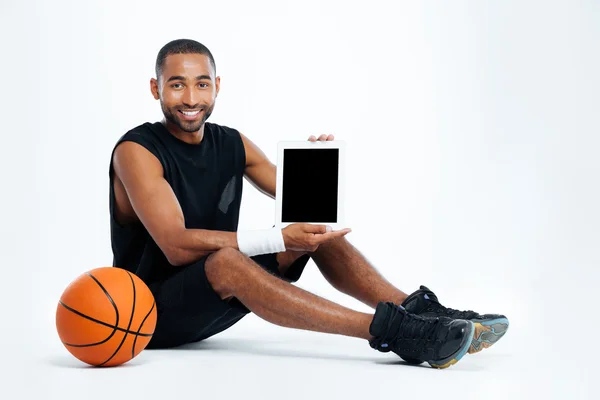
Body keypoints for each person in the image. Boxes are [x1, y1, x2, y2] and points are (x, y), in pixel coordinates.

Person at [109, 38, 508, 369]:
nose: (190, 97)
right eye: (176, 84)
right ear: (155, 88)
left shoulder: (230, 141)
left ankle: (420, 310)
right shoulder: (137, 150)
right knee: (230, 260)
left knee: (316, 231)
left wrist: (317, 172)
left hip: (214, 299)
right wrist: (276, 238)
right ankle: (392, 331)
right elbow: (176, 247)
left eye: (201, 84)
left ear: (217, 86)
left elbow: (297, 197)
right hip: (148, 315)